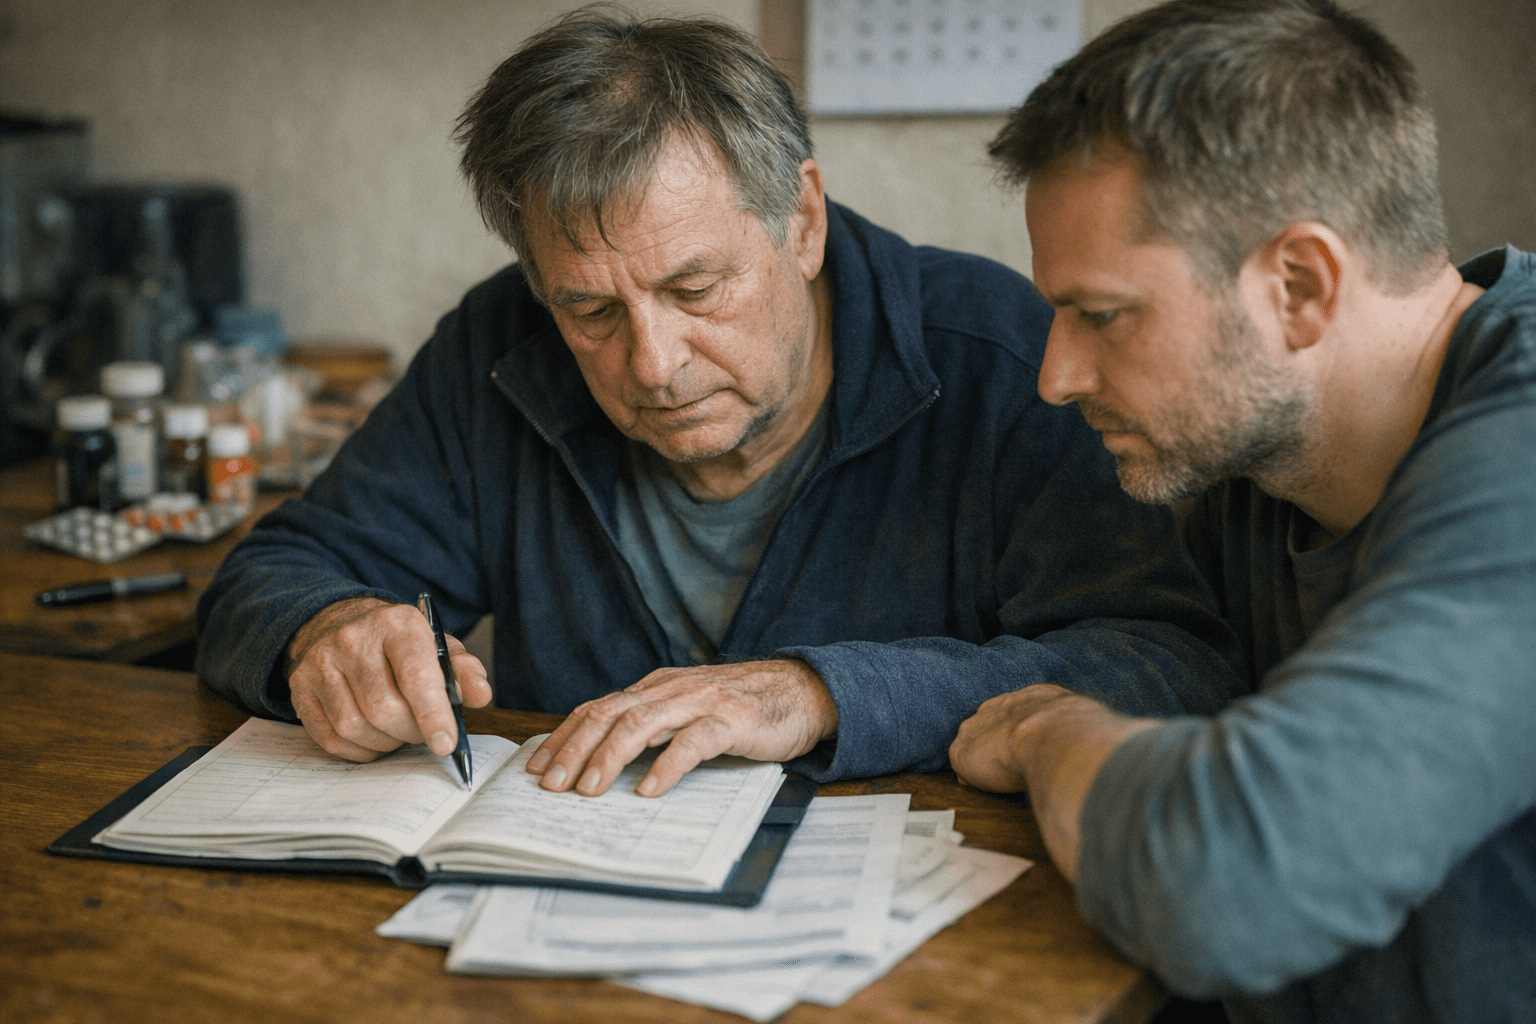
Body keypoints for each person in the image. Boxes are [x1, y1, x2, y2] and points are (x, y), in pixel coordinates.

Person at [197, 7, 1241, 801]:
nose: (653, 363)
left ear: (802, 220)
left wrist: (821, 692)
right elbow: (272, 571)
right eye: (590, 311)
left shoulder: (999, 355)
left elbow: (1169, 658)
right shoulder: (499, 345)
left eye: (695, 290)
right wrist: (325, 630)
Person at [949, 1, 1536, 1021]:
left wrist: (1053, 732)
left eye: (1102, 315)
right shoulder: (1250, 464)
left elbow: (1227, 878)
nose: (1054, 374)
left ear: (1299, 286)